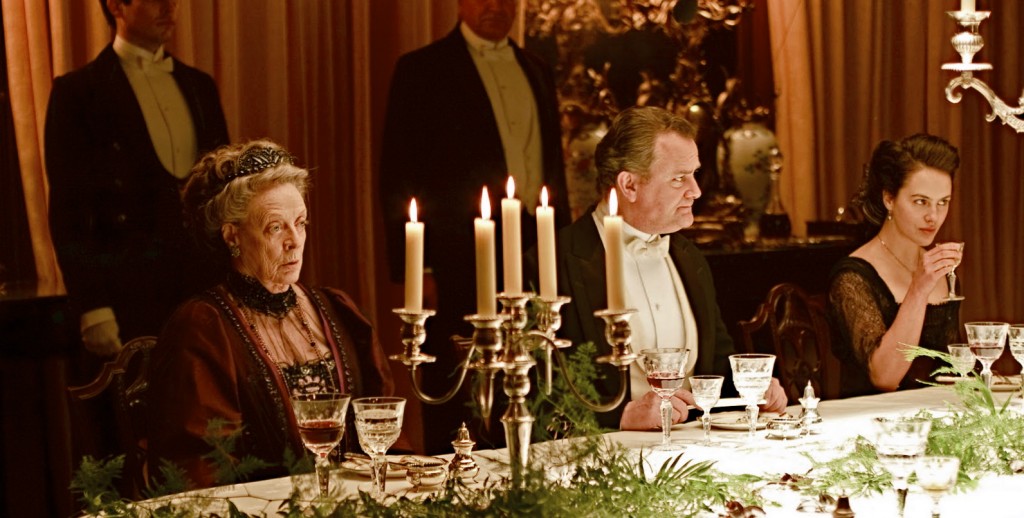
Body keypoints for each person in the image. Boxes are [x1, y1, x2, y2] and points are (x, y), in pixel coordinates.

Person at [147, 140, 394, 489]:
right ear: (232, 236)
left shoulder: (336, 310)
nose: (295, 241)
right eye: (275, 227)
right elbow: (202, 468)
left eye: (301, 223)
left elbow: (385, 428)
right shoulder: (203, 327)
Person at [378, 0, 568, 452]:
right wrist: (418, 270)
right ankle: (454, 474)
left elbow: (553, 167)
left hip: (532, 246)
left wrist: (560, 250)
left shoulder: (537, 68)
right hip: (456, 256)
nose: (496, 5)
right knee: (458, 384)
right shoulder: (421, 69)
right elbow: (398, 172)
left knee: (534, 371)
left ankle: (529, 465)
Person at [540, 106, 787, 431]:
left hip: (693, 448)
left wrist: (754, 390)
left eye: (694, 174)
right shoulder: (554, 262)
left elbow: (716, 367)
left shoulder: (689, 257)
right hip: (603, 453)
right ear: (629, 185)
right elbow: (532, 396)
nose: (696, 191)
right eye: (678, 178)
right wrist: (621, 417)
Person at [45, 0, 229, 357]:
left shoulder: (200, 86)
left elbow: (224, 195)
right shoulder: (79, 92)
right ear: (117, 6)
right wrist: (92, 306)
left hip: (203, 290)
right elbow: (68, 212)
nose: (169, 7)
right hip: (126, 296)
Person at [827, 134, 963, 398]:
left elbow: (949, 369)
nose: (933, 216)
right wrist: (918, 290)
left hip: (939, 414)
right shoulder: (852, 277)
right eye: (920, 201)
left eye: (943, 202)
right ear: (889, 199)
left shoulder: (940, 270)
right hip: (872, 417)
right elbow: (885, 378)